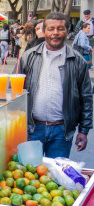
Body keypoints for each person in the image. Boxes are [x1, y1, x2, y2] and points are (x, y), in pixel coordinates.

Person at [15, 12, 93, 158]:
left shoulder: (78, 61)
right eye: (51, 29)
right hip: (32, 129)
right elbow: (15, 93)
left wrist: (83, 130)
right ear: (44, 31)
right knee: (29, 176)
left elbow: (86, 97)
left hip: (61, 132)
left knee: (55, 178)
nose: (55, 33)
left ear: (67, 31)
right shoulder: (28, 57)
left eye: (60, 28)